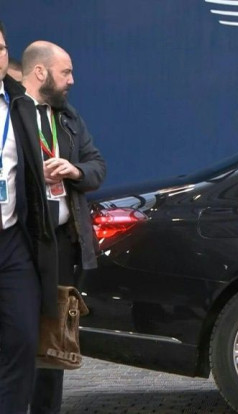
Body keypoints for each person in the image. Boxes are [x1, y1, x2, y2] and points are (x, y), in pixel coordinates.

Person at [21, 40, 106, 414]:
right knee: (19, 336)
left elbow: (97, 165)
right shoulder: (12, 116)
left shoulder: (69, 118)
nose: (72, 80)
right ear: (41, 72)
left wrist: (74, 171)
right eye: (65, 72)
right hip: (20, 242)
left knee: (55, 342)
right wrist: (30, 175)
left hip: (61, 244)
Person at [0, 22, 57, 414]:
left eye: (2, 47)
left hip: (11, 241)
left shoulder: (18, 105)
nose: (0, 54)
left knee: (22, 340)